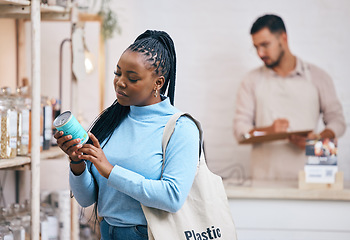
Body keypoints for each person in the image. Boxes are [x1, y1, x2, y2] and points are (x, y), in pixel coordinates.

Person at [54, 30, 200, 239]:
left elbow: (173, 197)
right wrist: (76, 164)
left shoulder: (181, 128)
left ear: (158, 83)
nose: (120, 82)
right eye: (117, 73)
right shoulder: (111, 121)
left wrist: (111, 171)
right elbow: (87, 200)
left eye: (132, 78)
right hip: (107, 232)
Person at [233, 14, 346, 181]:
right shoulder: (251, 81)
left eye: (265, 45)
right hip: (264, 182)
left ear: (283, 38)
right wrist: (269, 130)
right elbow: (240, 131)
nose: (260, 53)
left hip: (312, 178)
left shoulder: (318, 77)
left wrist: (319, 137)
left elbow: (337, 121)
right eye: (256, 47)